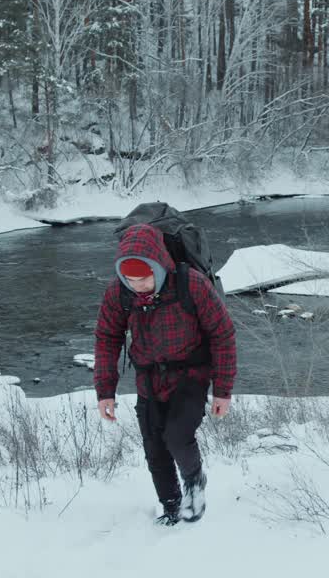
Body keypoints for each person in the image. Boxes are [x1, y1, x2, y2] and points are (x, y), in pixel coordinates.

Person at [93, 223, 237, 526]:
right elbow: (107, 338)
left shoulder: (191, 284)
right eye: (129, 279)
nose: (136, 286)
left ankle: (195, 483)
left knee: (177, 435)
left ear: (158, 268)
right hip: (148, 379)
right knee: (154, 448)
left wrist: (222, 390)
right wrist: (105, 391)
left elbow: (222, 334)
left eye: (143, 279)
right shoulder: (118, 292)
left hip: (191, 374)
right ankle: (171, 507)